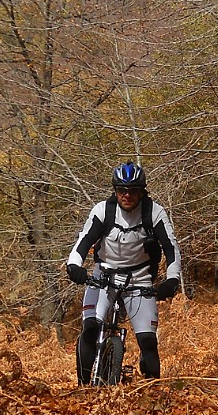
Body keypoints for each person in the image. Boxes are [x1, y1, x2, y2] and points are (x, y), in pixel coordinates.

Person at [66, 161, 182, 383]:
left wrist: (172, 279)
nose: (127, 196)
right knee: (91, 326)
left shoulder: (154, 212)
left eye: (133, 191)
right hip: (103, 275)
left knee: (148, 341)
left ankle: (151, 395)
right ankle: (82, 386)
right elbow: (84, 241)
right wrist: (74, 266)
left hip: (138, 278)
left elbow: (171, 248)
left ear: (142, 192)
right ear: (115, 190)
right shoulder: (103, 211)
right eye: (122, 190)